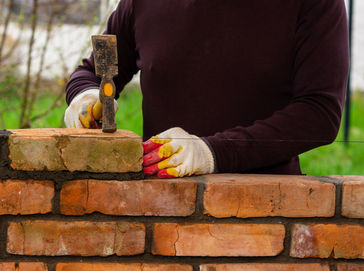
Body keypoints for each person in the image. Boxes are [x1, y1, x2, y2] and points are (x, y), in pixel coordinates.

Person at [64, 0, 349, 178]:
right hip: (158, 213)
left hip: (266, 215)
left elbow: (319, 112)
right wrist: (85, 95)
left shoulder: (314, 4)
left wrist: (213, 152)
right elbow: (93, 71)